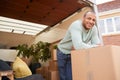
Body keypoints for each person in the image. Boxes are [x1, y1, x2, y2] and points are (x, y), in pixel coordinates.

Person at [57, 11, 102, 80]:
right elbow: (78, 46)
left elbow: (97, 45)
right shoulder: (76, 25)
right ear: (83, 18)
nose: (91, 21)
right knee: (63, 76)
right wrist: (95, 46)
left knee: (70, 77)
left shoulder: (94, 29)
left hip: (72, 53)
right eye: (89, 18)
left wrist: (96, 47)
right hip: (62, 51)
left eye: (93, 20)